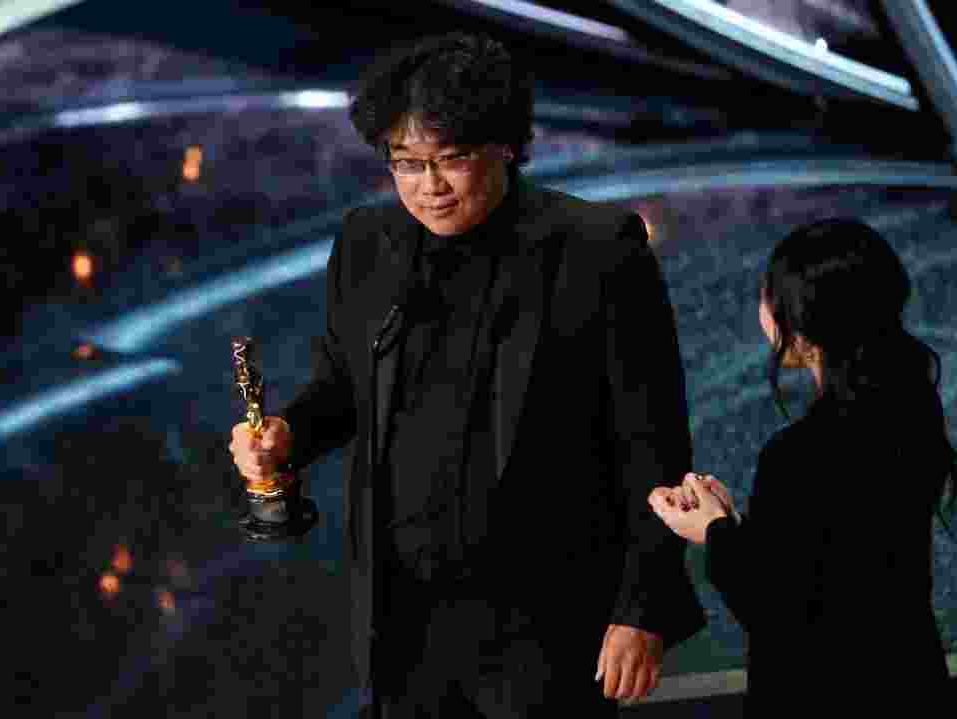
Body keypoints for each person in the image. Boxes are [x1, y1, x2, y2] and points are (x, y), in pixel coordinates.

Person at [229, 33, 705, 717]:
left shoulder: (597, 250)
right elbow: (342, 385)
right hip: (402, 621)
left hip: (546, 622)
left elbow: (652, 443)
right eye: (407, 163)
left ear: (506, 144)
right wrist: (286, 435)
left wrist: (643, 609)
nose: (431, 186)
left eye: (451, 159)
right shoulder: (367, 242)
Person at [648, 218, 957, 714]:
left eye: (767, 295)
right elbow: (838, 565)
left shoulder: (798, 454)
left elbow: (775, 606)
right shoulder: (910, 418)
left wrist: (711, 529)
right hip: (911, 680)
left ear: (804, 327)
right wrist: (734, 525)